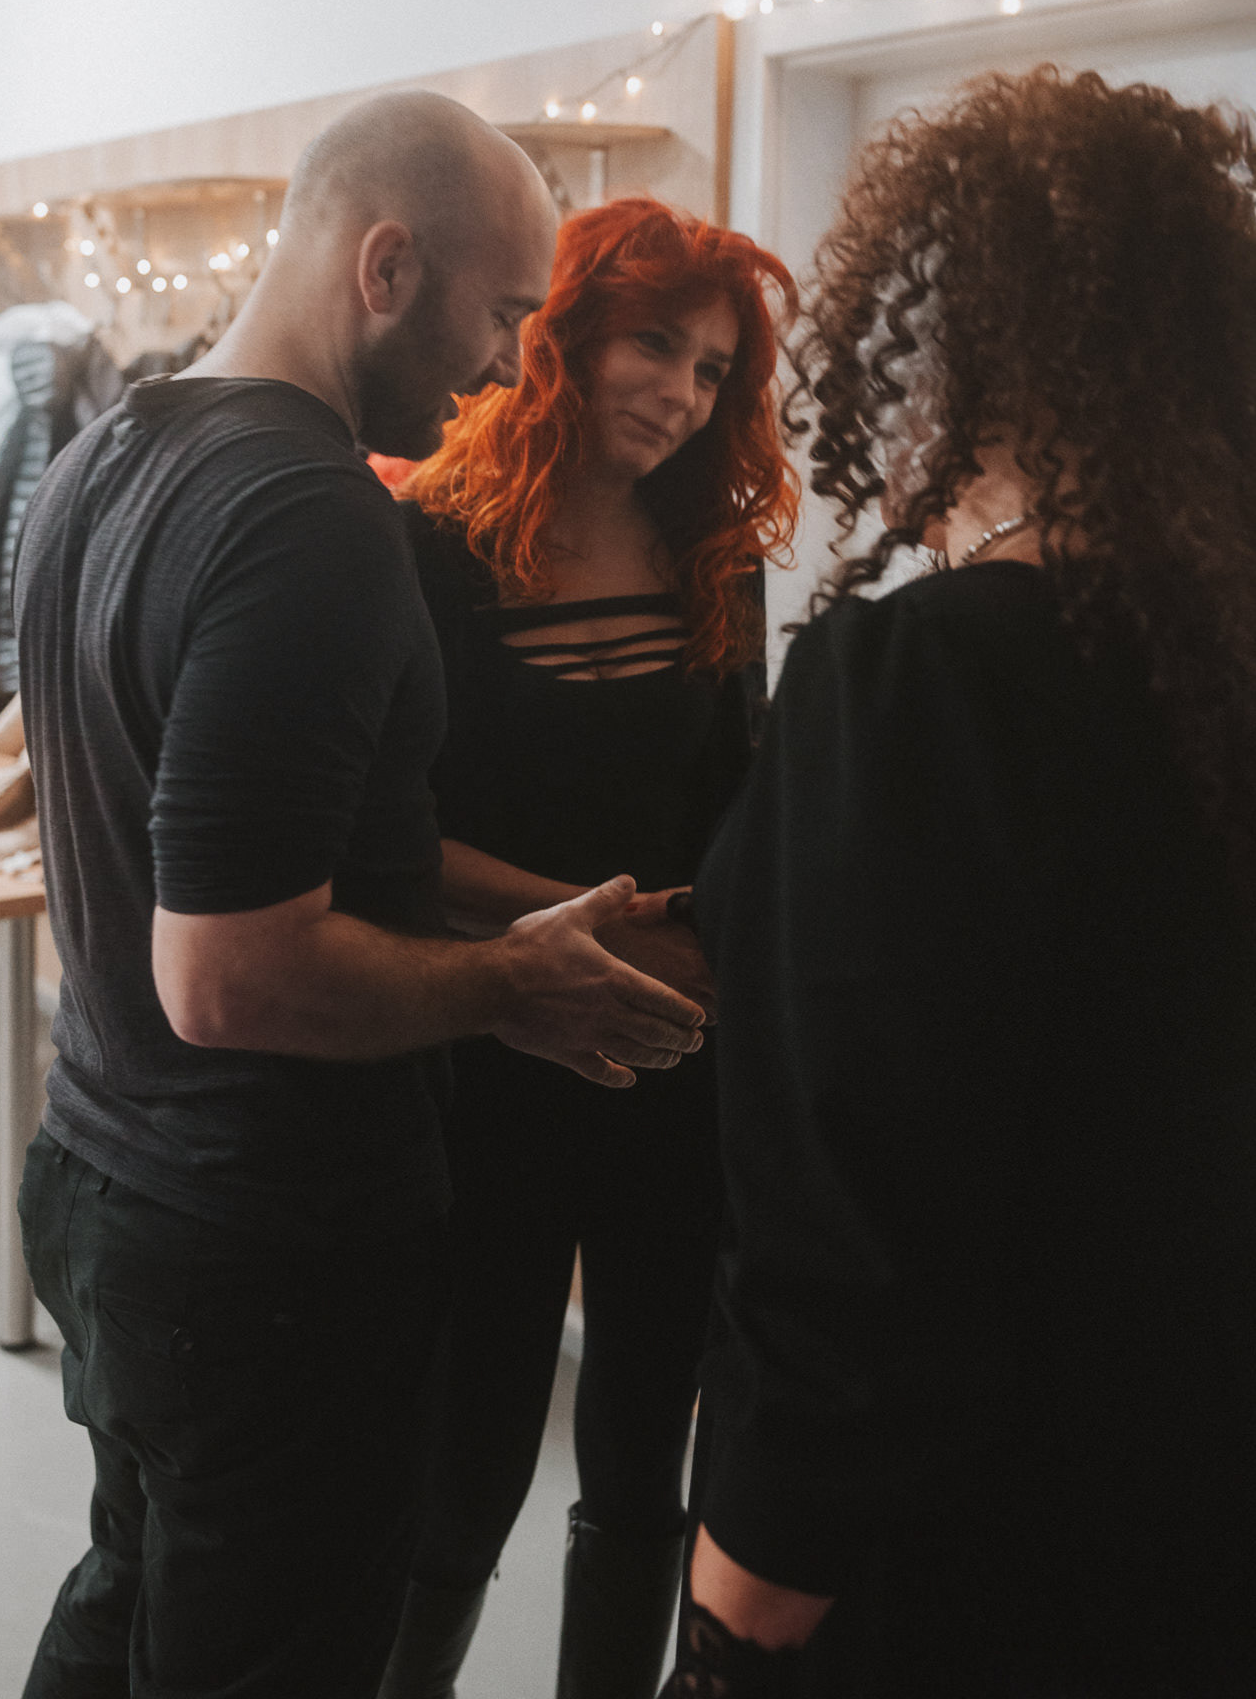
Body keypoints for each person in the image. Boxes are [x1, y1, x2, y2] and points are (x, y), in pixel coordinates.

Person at [11, 92, 709, 1699]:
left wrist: (538, 919)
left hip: (107, 1178)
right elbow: (230, 975)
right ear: (385, 266)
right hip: (261, 1245)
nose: (508, 364)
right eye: (502, 313)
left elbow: (271, 839)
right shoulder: (315, 519)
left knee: (128, 1598)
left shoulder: (107, 456)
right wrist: (509, 986)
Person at [665, 65, 1256, 1696]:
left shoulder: (928, 682)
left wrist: (739, 1609)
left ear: (950, 351)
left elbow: (854, 1233)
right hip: (1235, 1477)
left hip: (985, 1531)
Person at [377, 196, 799, 1699]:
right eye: (655, 345)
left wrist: (711, 930)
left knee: (640, 1448)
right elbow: (391, 834)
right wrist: (585, 920)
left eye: (713, 371)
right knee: (471, 1439)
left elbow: (737, 808)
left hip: (675, 1058)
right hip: (494, 1042)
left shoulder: (715, 556)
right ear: (561, 336)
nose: (681, 394)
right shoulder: (429, 542)